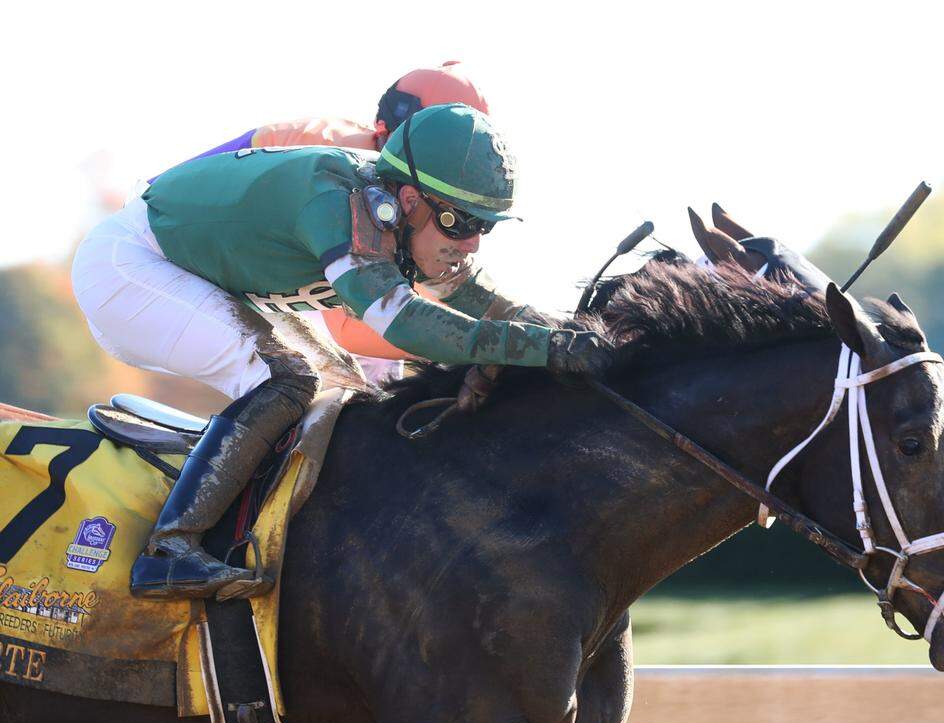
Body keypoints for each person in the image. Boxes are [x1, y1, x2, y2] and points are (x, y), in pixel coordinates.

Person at [72, 103, 612, 602]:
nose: (470, 243)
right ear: (408, 199)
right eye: (460, 222)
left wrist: (576, 333)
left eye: (483, 227)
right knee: (287, 379)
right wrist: (542, 348)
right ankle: (170, 550)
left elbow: (483, 302)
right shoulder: (337, 200)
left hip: (188, 271)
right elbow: (404, 324)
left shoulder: (400, 212)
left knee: (347, 392)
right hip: (128, 266)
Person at [167, 61, 501, 384]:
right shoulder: (343, 166)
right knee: (331, 376)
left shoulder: (387, 166)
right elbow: (350, 329)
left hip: (227, 260)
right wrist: (468, 347)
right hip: (172, 260)